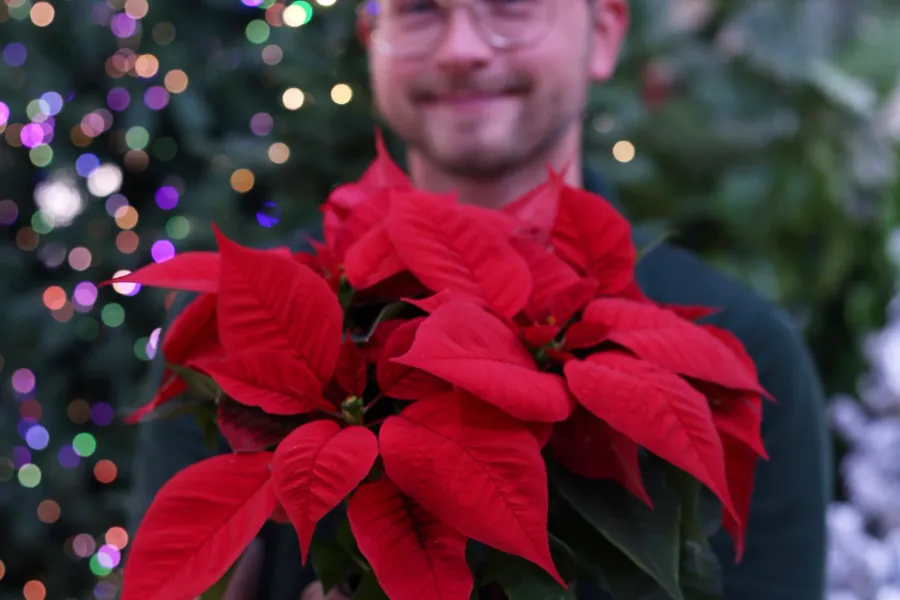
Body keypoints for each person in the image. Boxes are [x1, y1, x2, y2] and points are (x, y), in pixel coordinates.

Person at [128, 0, 832, 598]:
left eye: (510, 4)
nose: (462, 47)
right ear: (373, 39)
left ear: (605, 31)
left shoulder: (743, 352)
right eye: (420, 8)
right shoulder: (239, 325)